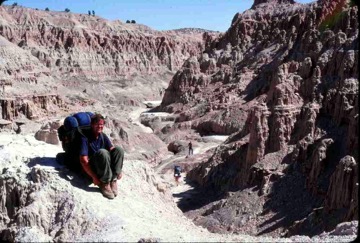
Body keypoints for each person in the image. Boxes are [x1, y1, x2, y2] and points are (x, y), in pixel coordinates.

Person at [79, 114, 125, 199]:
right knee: (103, 152)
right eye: (97, 124)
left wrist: (118, 169)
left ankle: (113, 179)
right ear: (92, 125)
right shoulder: (85, 138)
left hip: (103, 165)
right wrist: (94, 177)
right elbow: (83, 160)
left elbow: (112, 150)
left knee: (119, 150)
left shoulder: (102, 136)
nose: (100, 126)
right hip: (94, 167)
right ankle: (105, 183)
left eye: (101, 124)